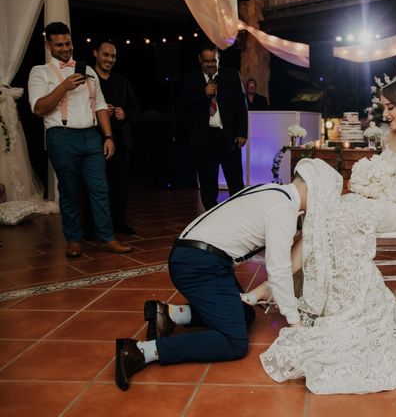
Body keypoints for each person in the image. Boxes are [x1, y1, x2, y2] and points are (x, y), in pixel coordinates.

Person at [247, 74, 396, 394]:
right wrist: (368, 184)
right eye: (384, 108)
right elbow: (378, 170)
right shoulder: (389, 136)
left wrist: (379, 187)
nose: (386, 114)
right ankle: (286, 287)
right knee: (326, 212)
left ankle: (345, 306)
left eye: (392, 108)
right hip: (377, 201)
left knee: (341, 217)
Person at [113, 177, 309, 391]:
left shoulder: (274, 190)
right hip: (199, 264)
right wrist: (294, 322)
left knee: (245, 314)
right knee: (234, 343)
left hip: (196, 255)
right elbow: (279, 270)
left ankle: (169, 314)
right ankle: (140, 351)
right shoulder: (284, 208)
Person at [28, 22, 131, 258]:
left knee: (100, 189)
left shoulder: (89, 71)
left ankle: (106, 238)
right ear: (48, 45)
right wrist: (64, 86)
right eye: (59, 44)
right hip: (61, 136)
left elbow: (101, 105)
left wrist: (108, 136)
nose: (65, 48)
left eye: (68, 43)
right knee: (70, 190)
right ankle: (73, 240)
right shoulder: (40, 72)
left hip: (91, 135)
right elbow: (38, 108)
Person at [180, 43, 248, 210]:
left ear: (218, 59)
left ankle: (239, 217)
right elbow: (182, 106)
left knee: (236, 182)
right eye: (206, 61)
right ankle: (212, 217)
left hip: (229, 137)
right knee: (208, 184)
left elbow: (241, 106)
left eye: (213, 60)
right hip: (204, 139)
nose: (210, 64)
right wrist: (202, 94)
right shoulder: (190, 79)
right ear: (200, 60)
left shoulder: (232, 75)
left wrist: (242, 133)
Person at [84, 39, 139, 235]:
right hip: (93, 140)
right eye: (106, 55)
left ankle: (119, 223)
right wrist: (98, 113)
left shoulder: (122, 81)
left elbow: (135, 108)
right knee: (94, 186)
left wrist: (125, 113)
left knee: (120, 186)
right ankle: (91, 227)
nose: (109, 59)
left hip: (122, 142)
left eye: (113, 56)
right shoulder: (86, 80)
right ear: (95, 54)